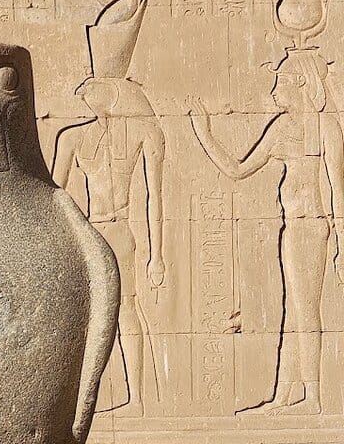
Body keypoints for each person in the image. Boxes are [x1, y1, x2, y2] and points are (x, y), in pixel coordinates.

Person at [187, 48, 344, 415]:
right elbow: (238, 170)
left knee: (306, 310)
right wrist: (205, 134)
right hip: (294, 228)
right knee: (294, 310)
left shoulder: (324, 128)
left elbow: (338, 189)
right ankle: (287, 394)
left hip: (313, 227)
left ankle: (313, 398)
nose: (275, 91)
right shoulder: (283, 127)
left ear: (301, 83)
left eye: (281, 82)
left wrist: (341, 240)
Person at [53, 77, 165, 416]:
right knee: (87, 314)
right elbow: (56, 196)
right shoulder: (73, 137)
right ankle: (79, 402)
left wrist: (157, 254)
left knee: (126, 310)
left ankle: (137, 399)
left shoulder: (141, 132)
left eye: (92, 88)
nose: (85, 95)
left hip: (118, 230)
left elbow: (155, 197)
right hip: (90, 231)